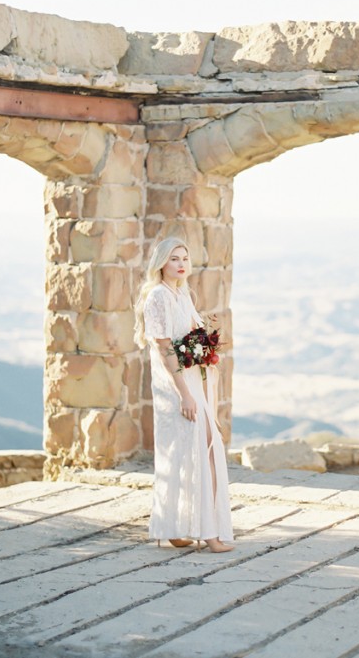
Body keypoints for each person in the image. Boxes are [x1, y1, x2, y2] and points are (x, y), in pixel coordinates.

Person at [134, 236, 234, 553]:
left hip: (191, 380)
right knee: (186, 451)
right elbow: (164, 350)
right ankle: (209, 533)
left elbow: (191, 340)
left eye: (185, 258)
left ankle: (178, 528)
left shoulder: (183, 295)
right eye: (175, 258)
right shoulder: (157, 298)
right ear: (162, 262)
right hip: (173, 386)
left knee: (203, 446)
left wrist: (206, 340)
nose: (181, 264)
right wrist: (184, 396)